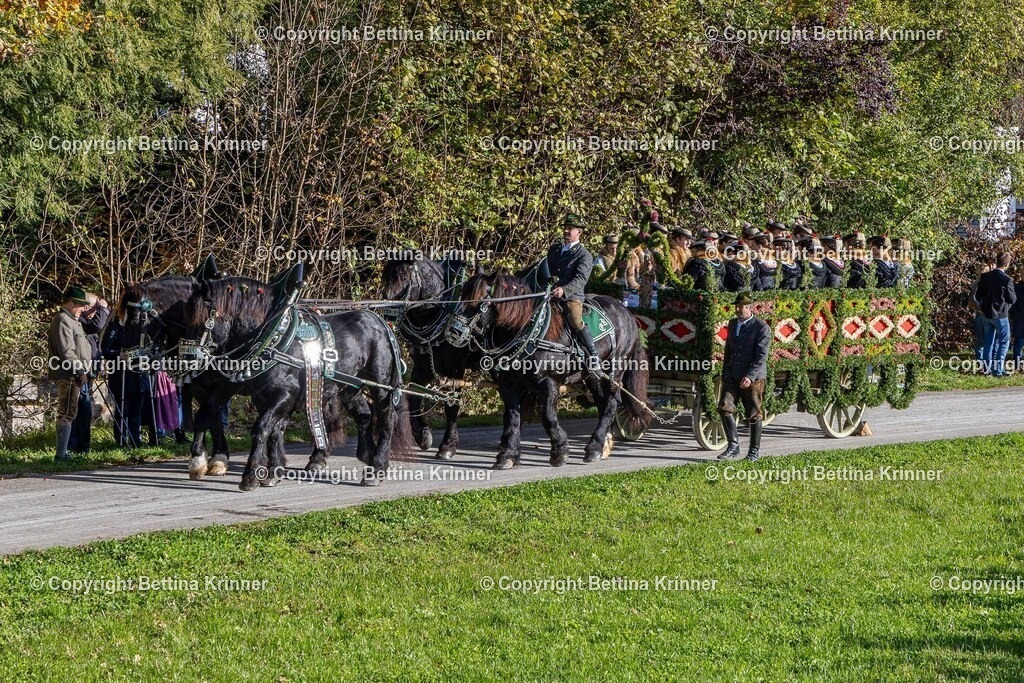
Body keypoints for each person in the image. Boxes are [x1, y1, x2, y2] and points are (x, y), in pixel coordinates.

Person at [718, 292, 771, 462]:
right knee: (724, 407)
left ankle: (753, 451)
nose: (739, 310)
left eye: (742, 307)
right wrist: (726, 371)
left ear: (750, 308)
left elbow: (761, 356)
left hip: (752, 378)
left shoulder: (761, 327)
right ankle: (733, 446)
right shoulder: (733, 324)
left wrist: (750, 375)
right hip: (733, 374)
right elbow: (729, 350)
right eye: (737, 306)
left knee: (753, 414)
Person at [547, 213, 602, 375]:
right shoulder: (554, 249)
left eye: (570, 229)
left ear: (579, 233)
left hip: (571, 297)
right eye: (565, 228)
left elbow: (581, 279)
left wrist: (564, 290)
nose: (566, 231)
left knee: (575, 318)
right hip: (549, 293)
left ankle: (593, 357)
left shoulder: (584, 255)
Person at [47, 286, 93, 461]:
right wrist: (80, 371)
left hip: (75, 374)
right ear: (70, 303)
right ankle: (61, 454)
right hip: (69, 374)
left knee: (71, 413)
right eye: (80, 305)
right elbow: (66, 351)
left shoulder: (72, 320)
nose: (83, 309)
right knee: (66, 413)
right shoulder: (62, 320)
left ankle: (64, 452)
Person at [68, 292, 109, 454]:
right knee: (80, 410)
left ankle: (82, 446)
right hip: (79, 373)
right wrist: (103, 309)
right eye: (95, 308)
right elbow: (97, 326)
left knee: (84, 410)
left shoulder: (86, 323)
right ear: (86, 308)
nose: (96, 311)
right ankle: (76, 447)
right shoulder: (81, 321)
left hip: (88, 373)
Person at [974, 251, 1017, 377]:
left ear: (997, 261)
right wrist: (1006, 306)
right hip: (1001, 315)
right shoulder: (1007, 279)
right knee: (1004, 342)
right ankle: (998, 369)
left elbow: (978, 295)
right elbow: (1013, 299)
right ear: (1007, 264)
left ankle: (988, 369)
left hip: (986, 314)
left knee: (989, 342)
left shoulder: (986, 276)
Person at [969, 259, 993, 363]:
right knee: (986, 339)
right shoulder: (981, 284)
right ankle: (983, 361)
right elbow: (974, 299)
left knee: (981, 339)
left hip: (980, 314)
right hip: (984, 313)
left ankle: (981, 361)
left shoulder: (975, 284)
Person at [1011, 265, 1024, 373]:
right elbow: (1012, 303)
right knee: (1018, 344)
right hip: (1020, 319)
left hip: (1019, 318)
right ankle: (1017, 365)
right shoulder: (1017, 287)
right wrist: (1015, 315)